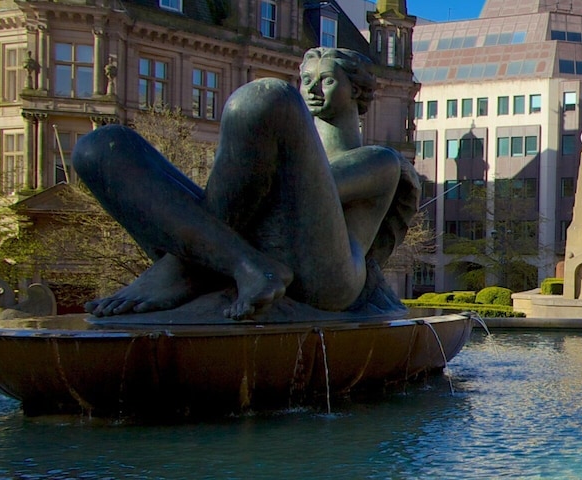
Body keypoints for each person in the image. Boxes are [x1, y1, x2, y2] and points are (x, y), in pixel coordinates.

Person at [74, 48, 418, 321]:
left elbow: (287, 196)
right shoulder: (283, 143)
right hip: (249, 249)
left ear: (356, 90)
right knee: (100, 147)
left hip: (326, 281)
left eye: (326, 81)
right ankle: (246, 266)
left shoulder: (380, 160)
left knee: (266, 98)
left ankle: (183, 268)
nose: (311, 89)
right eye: (306, 80)